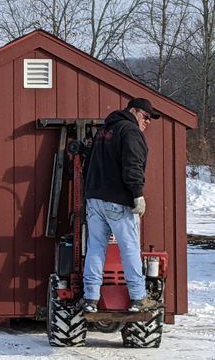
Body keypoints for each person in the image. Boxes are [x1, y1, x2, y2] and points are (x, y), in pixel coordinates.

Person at [82, 98, 161, 313]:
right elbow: (133, 164)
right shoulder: (130, 132)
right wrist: (137, 195)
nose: (148, 122)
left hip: (94, 200)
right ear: (133, 111)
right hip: (117, 201)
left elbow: (87, 165)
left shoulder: (103, 131)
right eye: (145, 116)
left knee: (95, 248)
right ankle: (137, 298)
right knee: (130, 248)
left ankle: (90, 298)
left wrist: (88, 195)